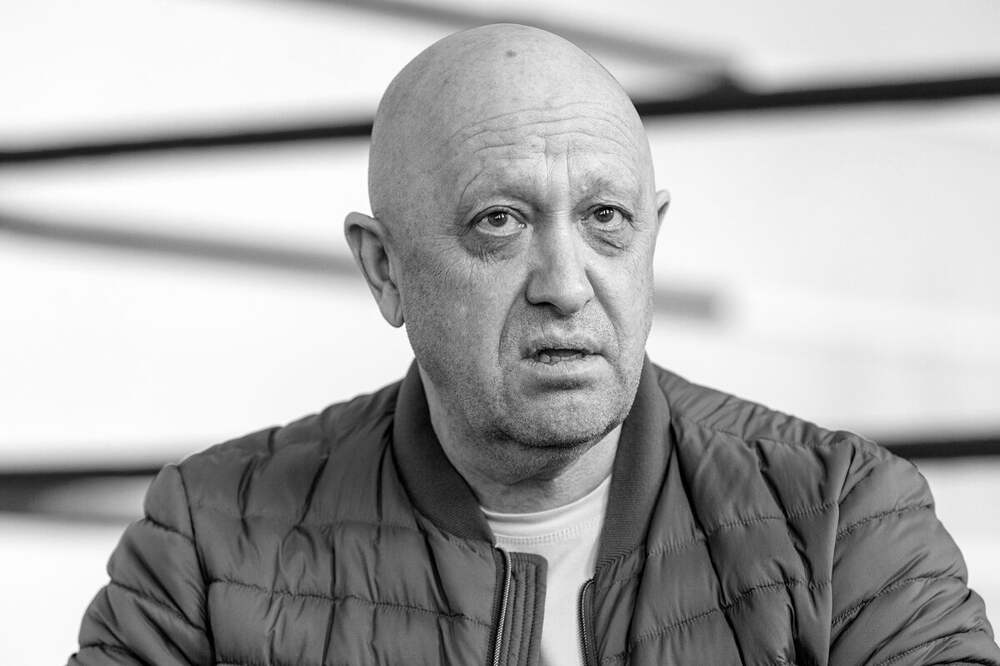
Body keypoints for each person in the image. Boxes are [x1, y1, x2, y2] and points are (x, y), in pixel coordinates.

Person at [69, 24, 999, 666]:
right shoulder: (208, 542)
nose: (566, 282)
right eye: (500, 221)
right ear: (385, 270)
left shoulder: (843, 520)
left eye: (606, 218)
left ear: (651, 239)